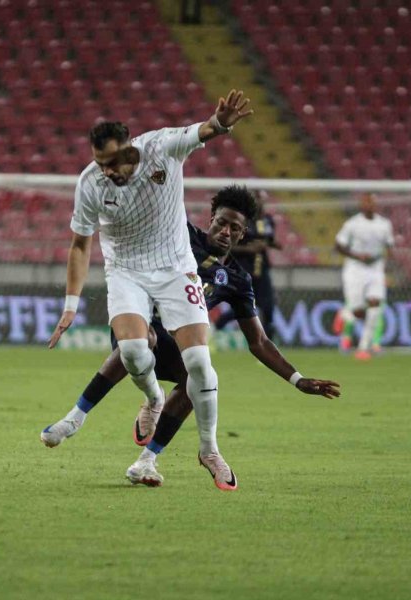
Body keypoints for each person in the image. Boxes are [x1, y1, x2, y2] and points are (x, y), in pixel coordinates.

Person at [42, 186, 340, 488]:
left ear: (242, 234)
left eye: (234, 228)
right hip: (137, 325)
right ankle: (81, 416)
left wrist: (297, 380)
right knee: (144, 340)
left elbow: (258, 341)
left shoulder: (237, 280)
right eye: (221, 223)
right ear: (211, 220)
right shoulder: (181, 235)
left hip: (177, 343)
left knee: (196, 377)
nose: (225, 231)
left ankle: (147, 460)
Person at [47, 90, 255, 490]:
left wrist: (221, 123)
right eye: (100, 163)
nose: (107, 171)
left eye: (113, 161)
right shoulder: (90, 184)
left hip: (176, 267)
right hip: (126, 271)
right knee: (131, 351)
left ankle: (209, 449)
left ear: (130, 147)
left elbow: (204, 130)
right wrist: (70, 305)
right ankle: (154, 397)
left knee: (199, 362)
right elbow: (80, 245)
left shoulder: (162, 147)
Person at [333, 193, 394, 360]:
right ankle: (344, 314)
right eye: (366, 203)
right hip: (355, 269)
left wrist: (388, 267)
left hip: (375, 269)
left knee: (375, 306)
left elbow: (389, 247)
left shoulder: (384, 224)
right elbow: (338, 246)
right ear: (362, 205)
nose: (369, 205)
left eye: (372, 202)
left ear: (376, 205)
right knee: (358, 311)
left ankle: (363, 348)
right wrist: (356, 256)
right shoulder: (352, 224)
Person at [218, 191, 279, 338]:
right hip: (244, 269)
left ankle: (269, 343)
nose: (260, 202)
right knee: (242, 306)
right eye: (257, 199)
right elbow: (228, 245)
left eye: (262, 199)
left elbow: (269, 240)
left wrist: (274, 245)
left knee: (268, 306)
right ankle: (217, 327)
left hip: (262, 269)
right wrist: (249, 249)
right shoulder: (241, 220)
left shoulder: (267, 220)